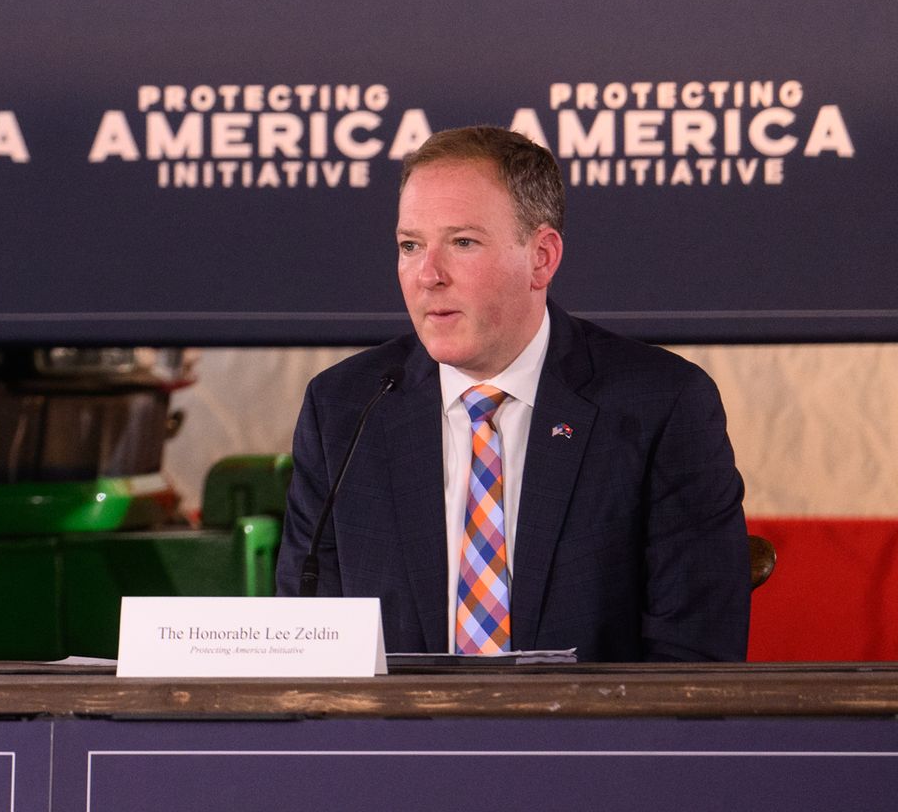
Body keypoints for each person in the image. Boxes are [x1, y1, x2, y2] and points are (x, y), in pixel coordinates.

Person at [276, 126, 750, 661]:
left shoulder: (660, 406)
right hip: (396, 745)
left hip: (593, 744)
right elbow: (306, 651)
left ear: (542, 257)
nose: (427, 275)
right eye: (410, 246)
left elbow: (695, 662)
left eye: (462, 242)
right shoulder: (345, 408)